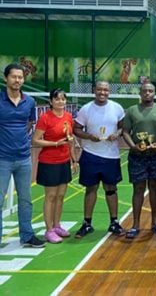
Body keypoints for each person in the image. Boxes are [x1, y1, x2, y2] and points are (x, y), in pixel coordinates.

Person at [0, 63, 45, 247]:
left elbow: (28, 124)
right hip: (2, 159)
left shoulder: (30, 102)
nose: (17, 80)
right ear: (6, 78)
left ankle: (27, 236)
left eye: (20, 77)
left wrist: (20, 143)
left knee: (25, 200)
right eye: (13, 77)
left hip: (23, 159)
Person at [73, 81, 125, 238]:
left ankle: (114, 222)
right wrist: (89, 136)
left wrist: (117, 134)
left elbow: (123, 127)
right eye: (99, 89)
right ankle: (87, 223)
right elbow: (76, 129)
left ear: (109, 91)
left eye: (105, 90)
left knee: (111, 189)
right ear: (94, 90)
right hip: (91, 154)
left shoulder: (117, 108)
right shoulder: (86, 109)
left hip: (111, 156)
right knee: (91, 189)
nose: (102, 92)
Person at [122, 83, 156, 239]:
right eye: (145, 91)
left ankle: (155, 223)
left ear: (155, 93)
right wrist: (133, 146)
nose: (147, 93)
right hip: (137, 156)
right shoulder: (131, 111)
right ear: (140, 93)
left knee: (155, 189)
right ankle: (135, 225)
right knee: (138, 189)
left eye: (151, 91)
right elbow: (125, 132)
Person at [32, 89, 78, 243]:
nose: (60, 102)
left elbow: (70, 139)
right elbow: (35, 140)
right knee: (50, 196)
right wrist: (55, 144)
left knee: (60, 196)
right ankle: (49, 229)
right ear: (51, 101)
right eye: (57, 99)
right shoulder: (45, 118)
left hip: (64, 161)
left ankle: (57, 225)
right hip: (49, 162)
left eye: (63, 99)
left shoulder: (68, 117)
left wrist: (73, 159)